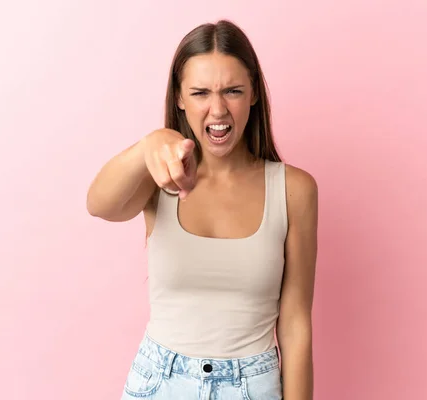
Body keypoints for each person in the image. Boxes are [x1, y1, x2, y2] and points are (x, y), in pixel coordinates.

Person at [87, 19, 317, 400]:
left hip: (252, 384)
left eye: (233, 91)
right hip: (159, 382)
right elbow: (99, 205)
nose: (217, 109)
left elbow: (295, 326)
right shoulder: (160, 176)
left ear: (254, 94)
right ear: (179, 97)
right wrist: (149, 145)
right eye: (199, 93)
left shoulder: (293, 189)